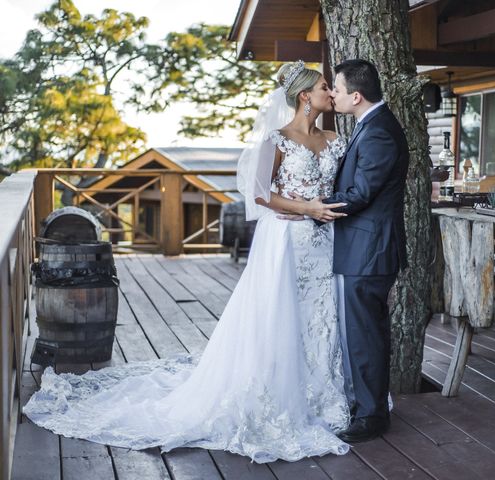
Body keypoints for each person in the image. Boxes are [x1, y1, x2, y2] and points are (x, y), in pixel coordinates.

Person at [24, 61, 353, 463]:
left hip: (326, 243)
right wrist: (306, 207)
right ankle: (281, 395)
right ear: (305, 96)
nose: (330, 93)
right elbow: (260, 195)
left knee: (321, 317)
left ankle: (325, 395)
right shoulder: (278, 139)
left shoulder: (337, 137)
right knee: (281, 316)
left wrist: (324, 211)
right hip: (287, 240)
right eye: (324, 87)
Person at [304, 59, 410, 443]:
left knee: (365, 334)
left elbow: (362, 194)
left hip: (370, 250)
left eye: (337, 87)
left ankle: (371, 416)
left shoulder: (379, 132)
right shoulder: (371, 125)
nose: (332, 93)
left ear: (356, 95)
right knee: (365, 331)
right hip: (366, 248)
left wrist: (316, 210)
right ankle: (366, 405)